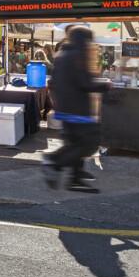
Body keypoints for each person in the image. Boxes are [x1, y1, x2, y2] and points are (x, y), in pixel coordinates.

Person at [43, 26, 110, 193]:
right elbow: (85, 83)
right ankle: (54, 161)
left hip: (65, 108)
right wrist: (106, 85)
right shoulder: (77, 56)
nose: (90, 43)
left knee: (74, 143)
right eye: (89, 40)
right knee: (88, 143)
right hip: (78, 110)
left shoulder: (62, 54)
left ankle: (75, 178)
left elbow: (54, 82)